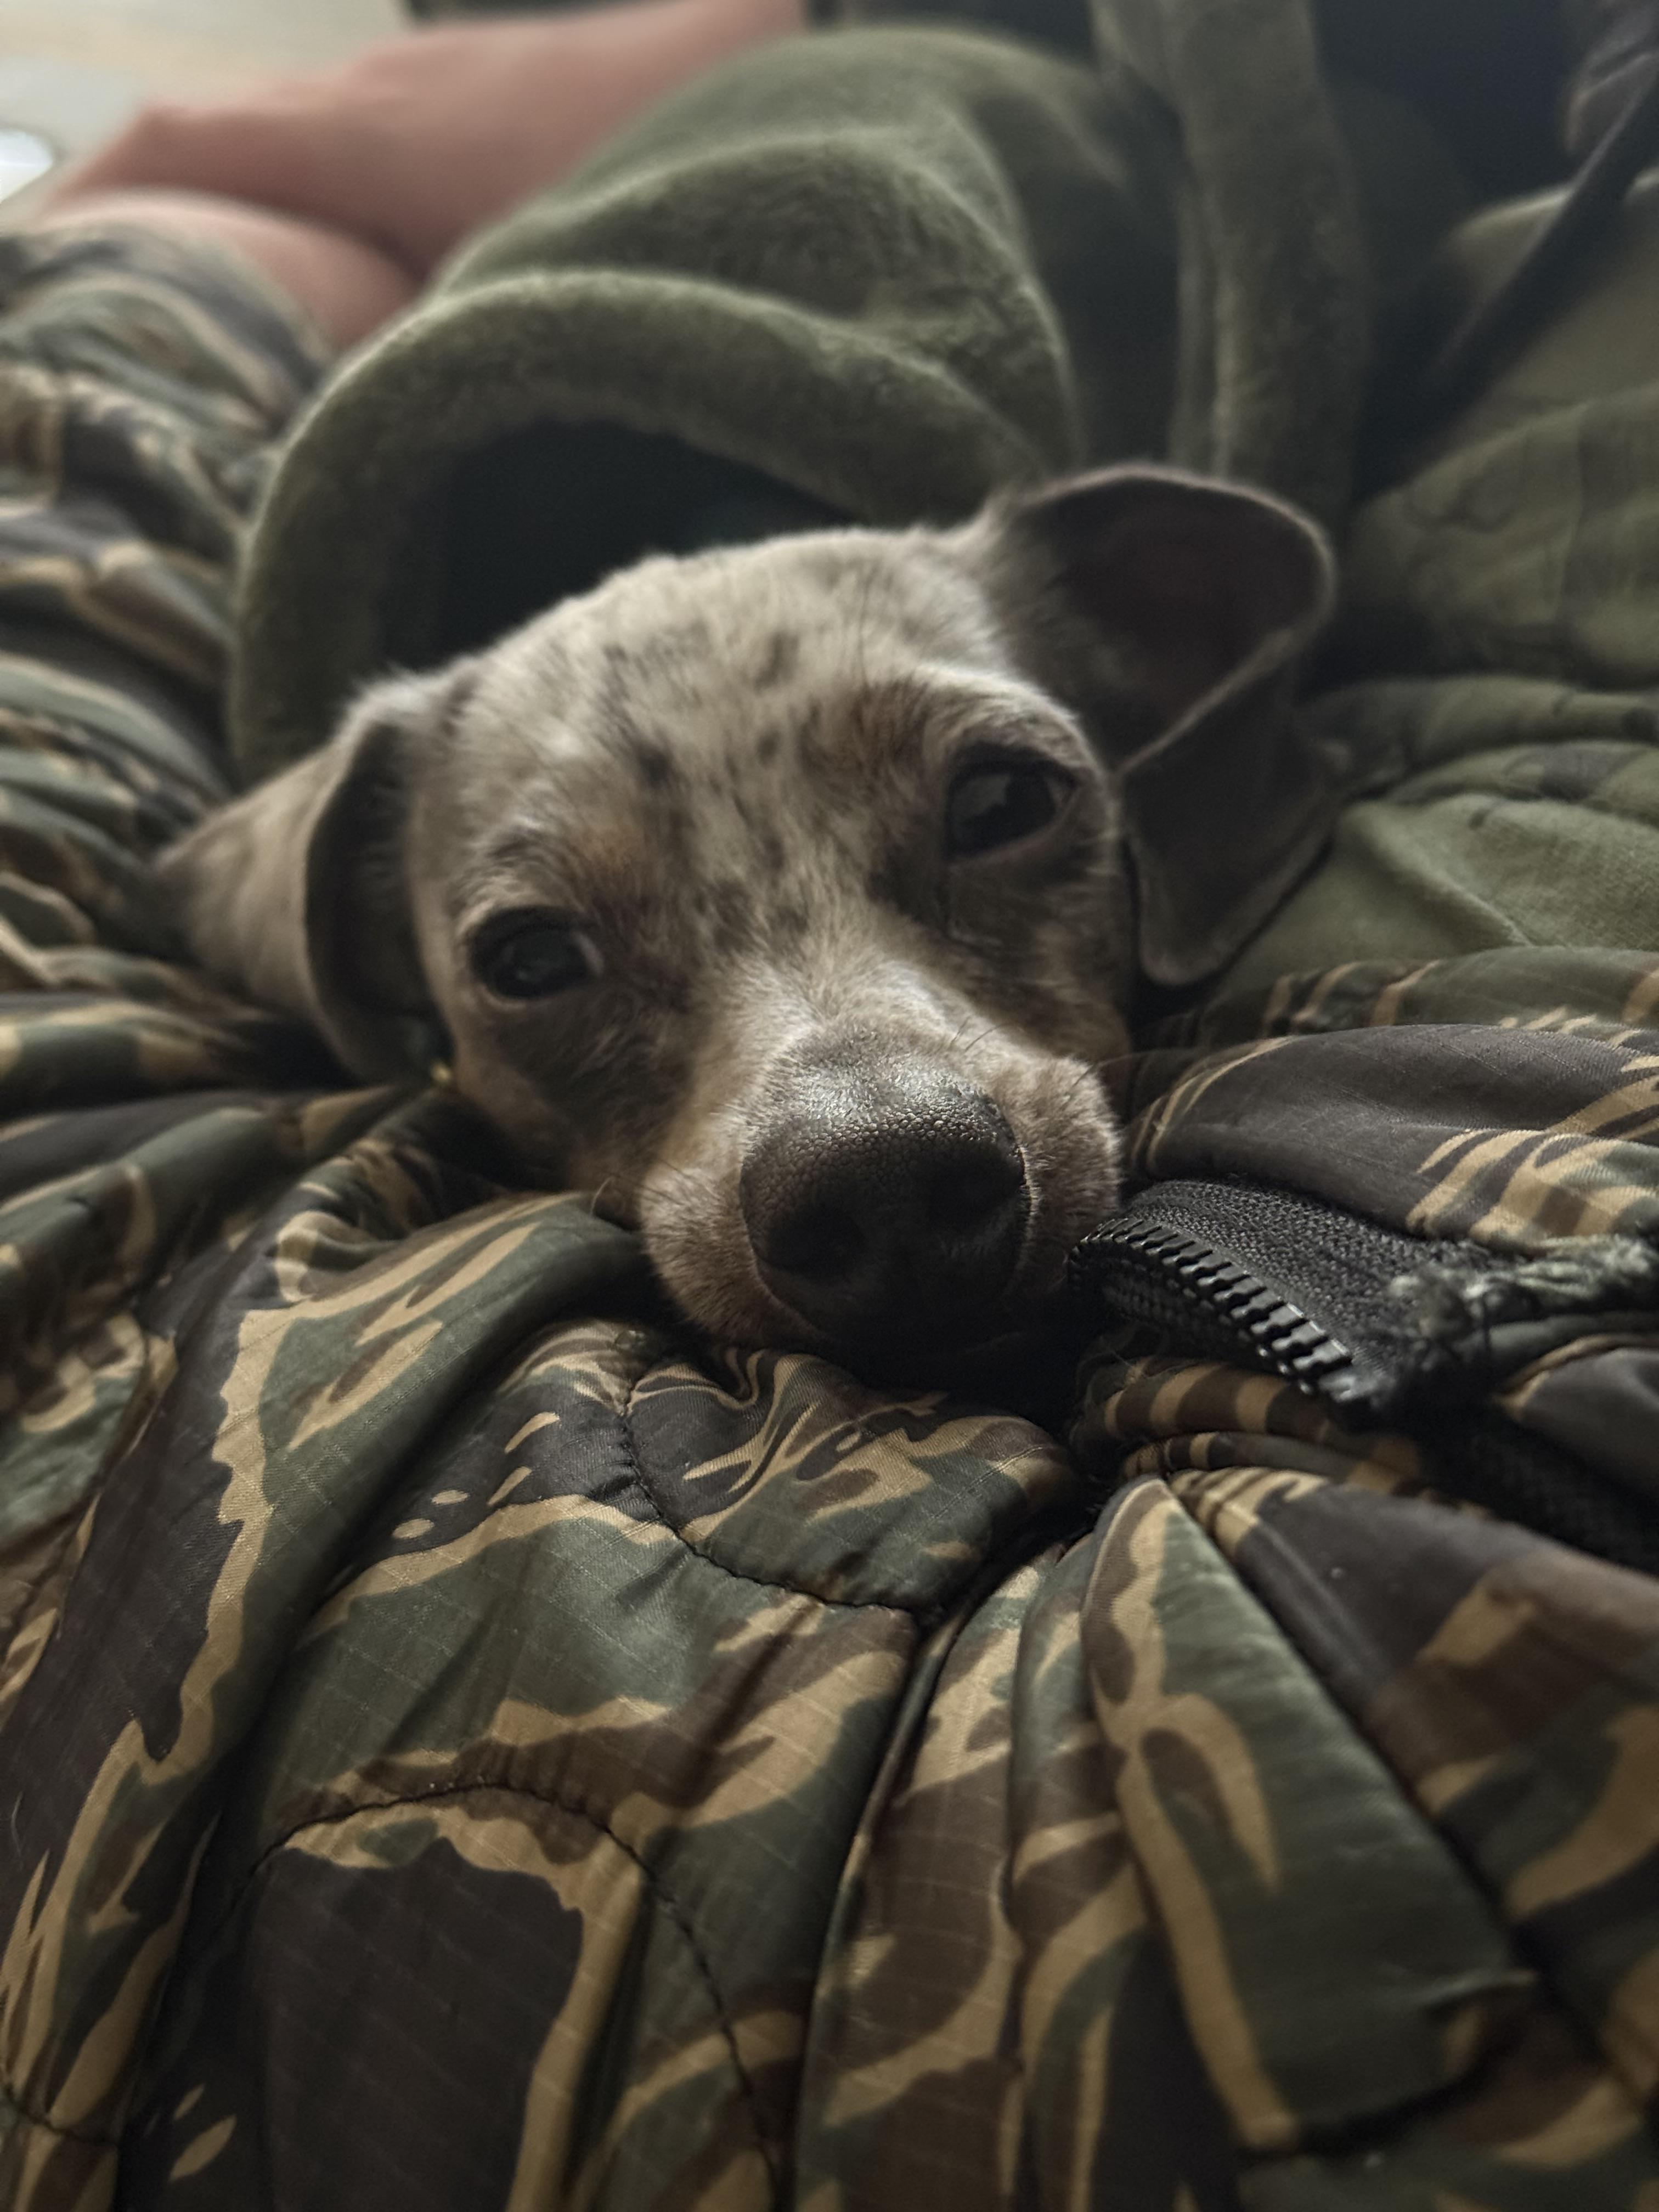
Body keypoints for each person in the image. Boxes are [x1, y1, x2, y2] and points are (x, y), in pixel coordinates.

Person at [3, 4, 1659, 2207]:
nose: (858, 1108)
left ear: (1152, 694)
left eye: (990, 807)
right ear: (390, 988)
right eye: (545, 962)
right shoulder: (361, 830)